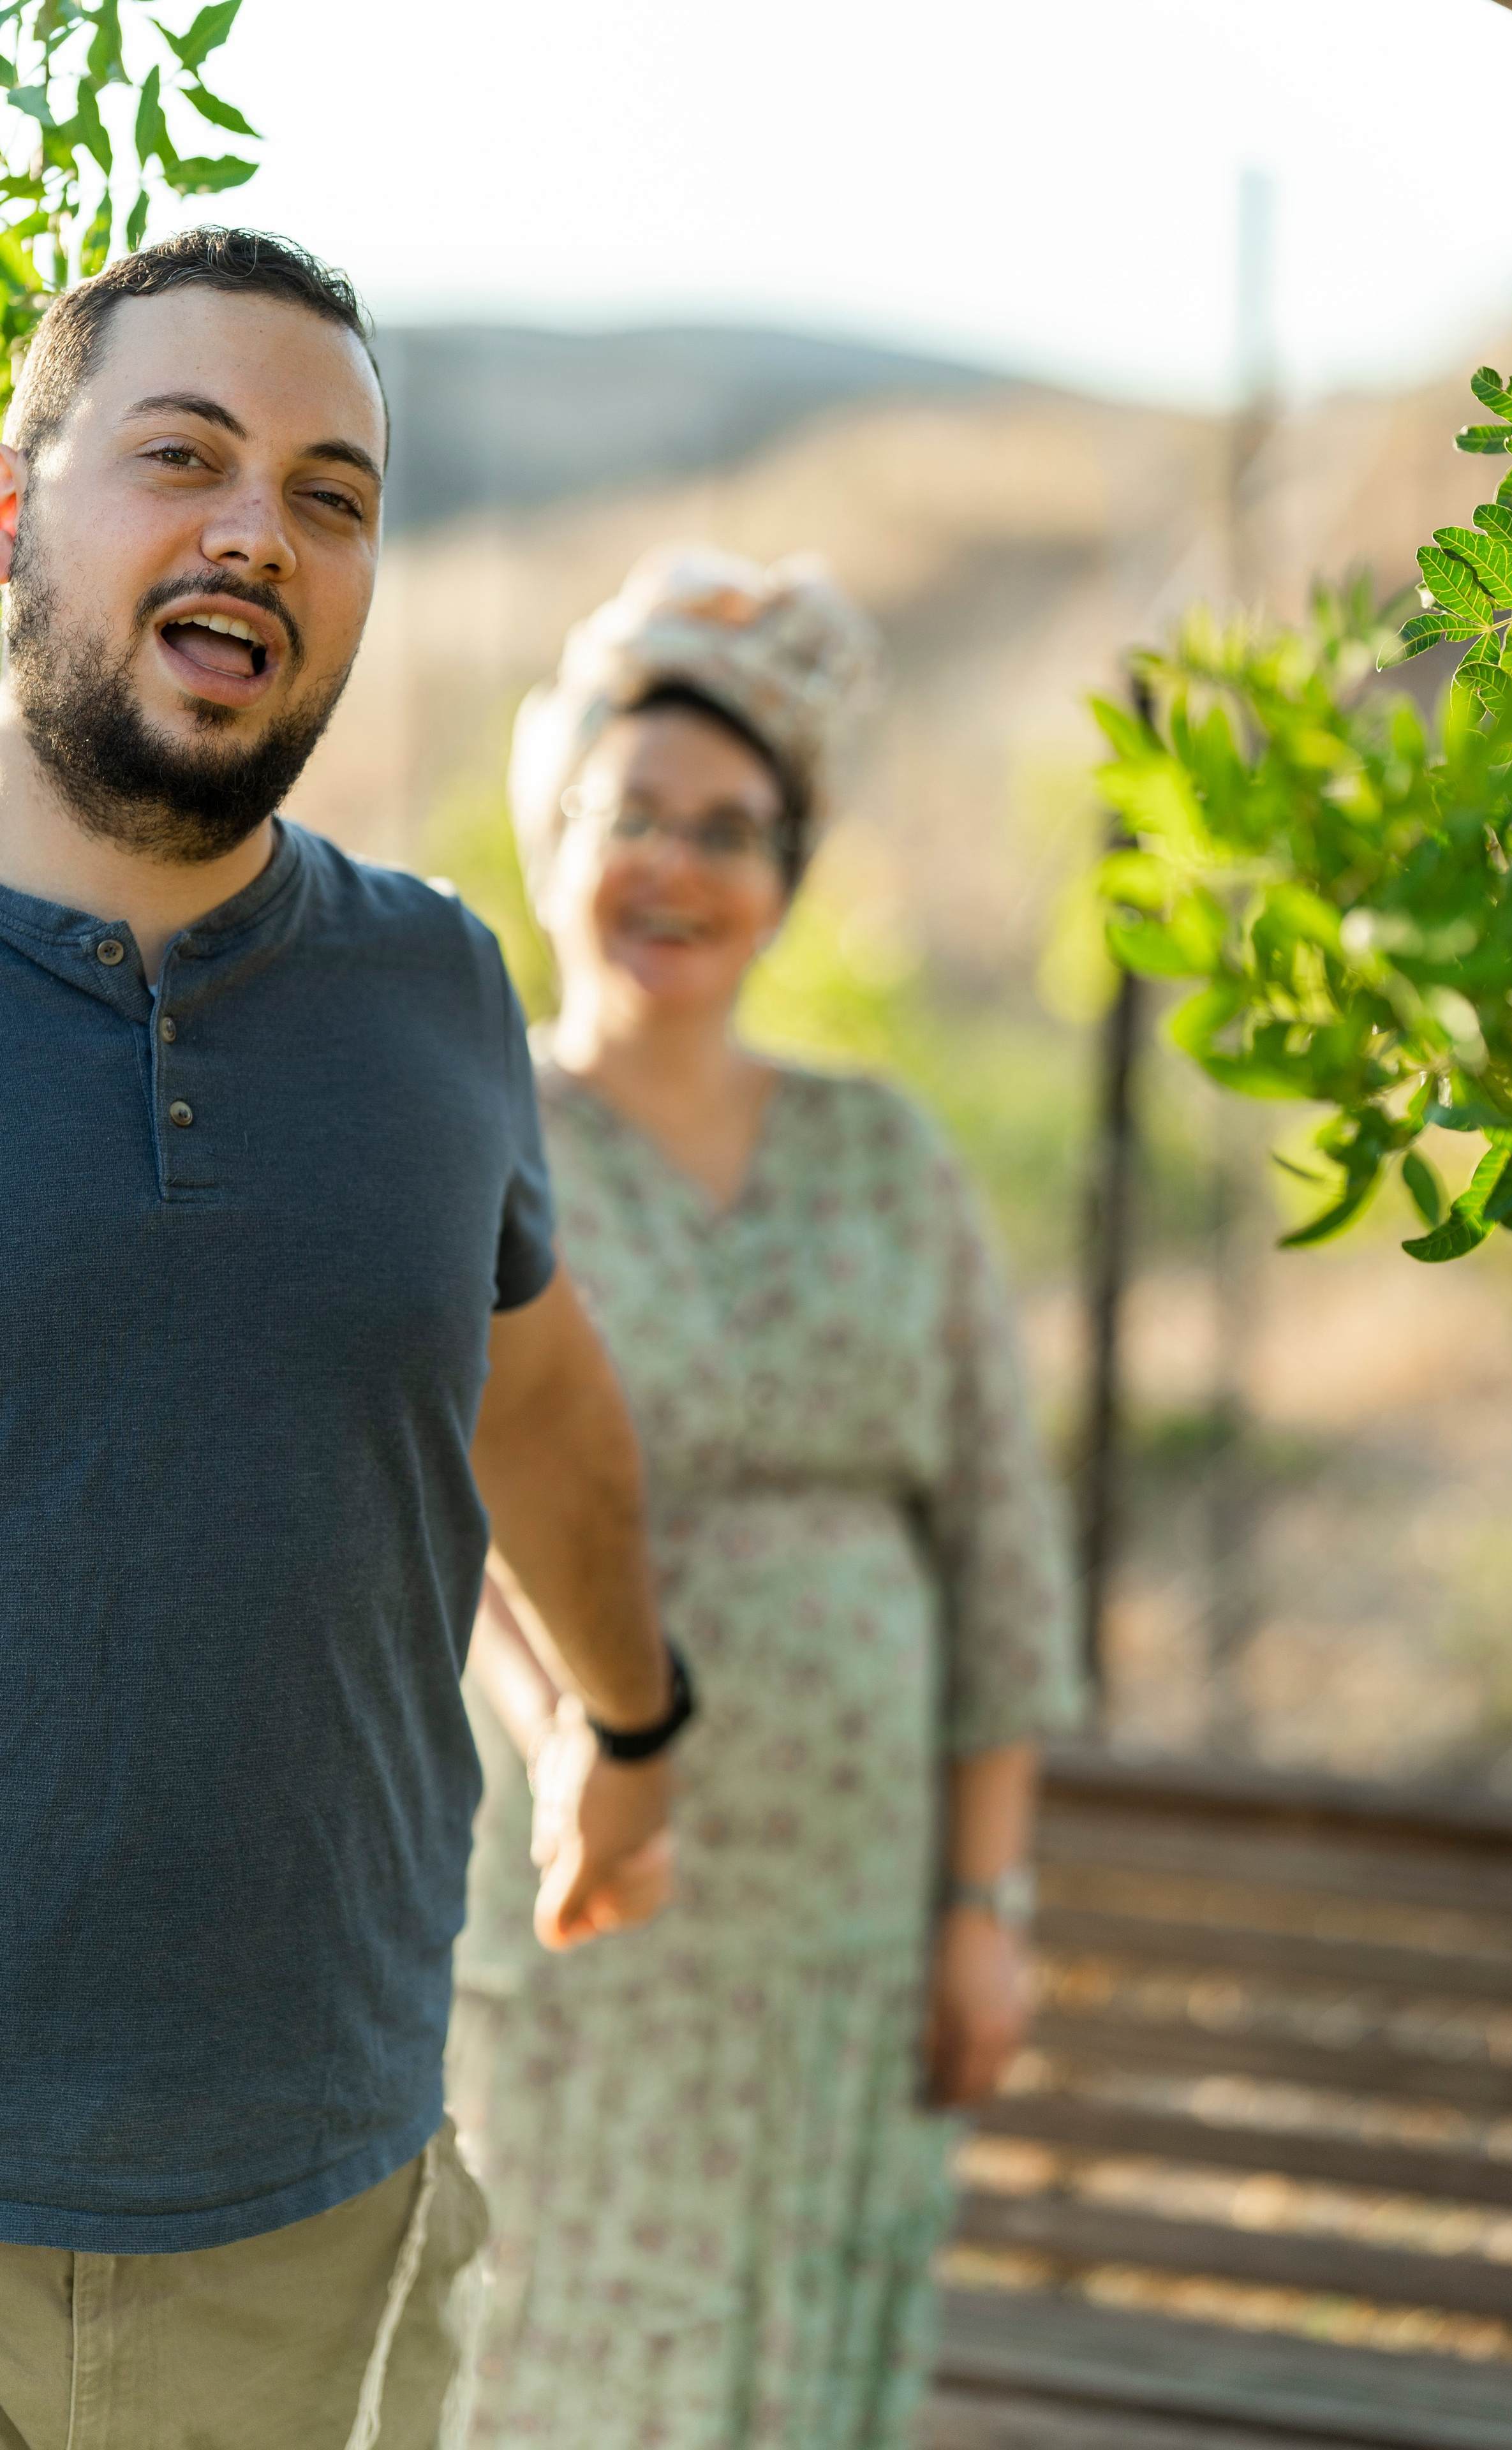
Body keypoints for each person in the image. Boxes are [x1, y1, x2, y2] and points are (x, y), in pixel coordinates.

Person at [0, 230, 683, 2450]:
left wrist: (633, 1721)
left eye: (331, 491)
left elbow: (545, 1400)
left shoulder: (440, 994)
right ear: (17, 508)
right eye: (179, 455)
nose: (254, 531)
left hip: (313, 2231)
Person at [448, 545, 1083, 2448]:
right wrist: (575, 1737)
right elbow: (449, 1506)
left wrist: (984, 1899)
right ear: (554, 836)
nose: (681, 867)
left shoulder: (887, 1156)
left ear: (787, 882)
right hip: (587, 1923)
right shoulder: (470, 1139)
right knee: (558, 2357)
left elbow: (998, 1549)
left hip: (854, 1940)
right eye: (636, 812)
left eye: (733, 829)